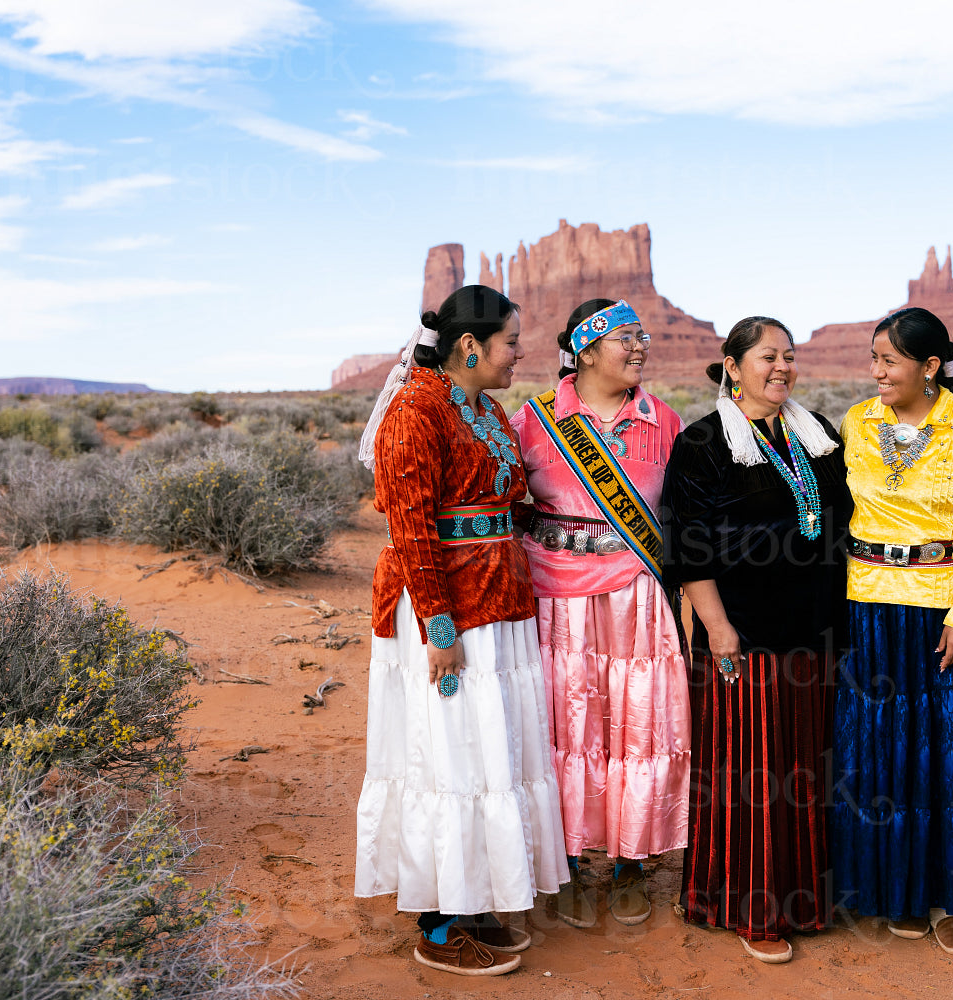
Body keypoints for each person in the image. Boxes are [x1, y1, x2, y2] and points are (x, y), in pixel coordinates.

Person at [353, 284, 569, 978]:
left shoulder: (486, 407)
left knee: (484, 754)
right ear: (469, 347)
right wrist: (439, 630)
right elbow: (411, 527)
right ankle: (437, 926)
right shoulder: (413, 412)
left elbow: (507, 505)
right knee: (444, 755)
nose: (520, 351)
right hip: (446, 611)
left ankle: (472, 900)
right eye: (511, 340)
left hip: (500, 600)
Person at [830, 306, 953, 956]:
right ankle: (895, 893)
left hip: (945, 614)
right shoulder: (860, 421)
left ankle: (949, 898)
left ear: (930, 366)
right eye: (875, 359)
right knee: (885, 756)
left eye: (889, 360)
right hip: (872, 610)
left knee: (951, 758)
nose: (877, 371)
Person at [661, 316, 852, 964]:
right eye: (768, 356)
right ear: (732, 365)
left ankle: (809, 898)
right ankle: (752, 907)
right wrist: (718, 631)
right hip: (744, 637)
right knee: (752, 775)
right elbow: (687, 551)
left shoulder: (818, 434)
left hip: (816, 632)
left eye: (789, 356)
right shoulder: (702, 444)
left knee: (807, 771)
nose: (782, 367)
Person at [510, 299, 691, 928]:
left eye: (642, 338)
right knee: (564, 728)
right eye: (626, 339)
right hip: (554, 603)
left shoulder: (664, 421)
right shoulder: (532, 421)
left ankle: (630, 860)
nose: (640, 348)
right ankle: (563, 859)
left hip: (634, 600)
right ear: (586, 350)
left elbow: (686, 519)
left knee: (632, 727)